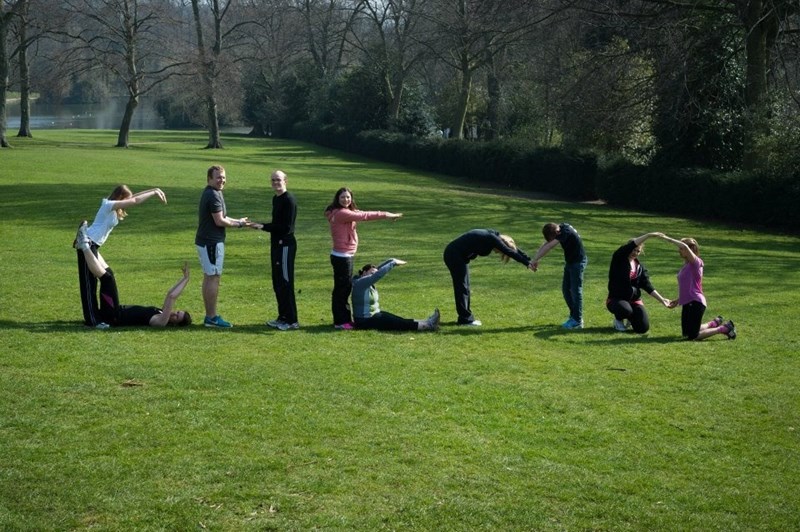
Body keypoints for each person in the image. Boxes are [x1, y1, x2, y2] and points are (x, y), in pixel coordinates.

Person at [74, 184, 167, 327]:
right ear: (120, 197)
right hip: (88, 242)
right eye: (126, 199)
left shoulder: (114, 206)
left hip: (94, 245)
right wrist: (154, 193)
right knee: (89, 284)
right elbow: (135, 201)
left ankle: (99, 315)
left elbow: (133, 198)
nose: (127, 203)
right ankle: (92, 320)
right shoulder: (108, 205)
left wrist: (155, 190)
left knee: (107, 275)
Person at [74, 224, 191, 328]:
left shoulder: (161, 322)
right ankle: (91, 247)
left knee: (107, 279)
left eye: (177, 317)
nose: (174, 313)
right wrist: (184, 278)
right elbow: (169, 293)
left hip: (113, 316)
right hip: (115, 310)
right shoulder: (161, 312)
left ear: (175, 324)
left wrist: (186, 280)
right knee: (109, 274)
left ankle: (85, 245)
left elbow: (172, 297)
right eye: (178, 312)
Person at [324, 187, 403, 330]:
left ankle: (342, 320)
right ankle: (341, 322)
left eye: (348, 197)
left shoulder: (342, 211)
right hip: (342, 257)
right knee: (342, 291)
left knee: (342, 289)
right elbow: (365, 215)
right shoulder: (342, 213)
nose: (346, 200)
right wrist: (387, 215)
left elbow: (360, 213)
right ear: (337, 199)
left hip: (343, 255)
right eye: (342, 197)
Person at [443, 229, 536, 326]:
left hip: (457, 255)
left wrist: (528, 260)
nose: (497, 253)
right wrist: (527, 264)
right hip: (454, 255)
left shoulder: (495, 237)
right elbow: (509, 251)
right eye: (500, 251)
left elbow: (513, 249)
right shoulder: (492, 238)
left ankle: (466, 318)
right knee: (462, 287)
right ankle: (465, 320)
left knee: (465, 287)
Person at [195, 164, 250, 328]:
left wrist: (239, 221)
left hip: (206, 242)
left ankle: (209, 316)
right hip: (211, 243)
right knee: (213, 277)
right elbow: (219, 221)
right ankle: (212, 318)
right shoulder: (213, 195)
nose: (222, 180)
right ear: (209, 179)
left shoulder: (213, 192)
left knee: (209, 277)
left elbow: (223, 217)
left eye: (224, 177)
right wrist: (239, 225)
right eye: (218, 177)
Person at [657, 234, 737, 340]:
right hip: (688, 302)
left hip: (695, 302)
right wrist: (677, 301)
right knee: (687, 333)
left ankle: (724, 328)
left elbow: (685, 247)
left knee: (693, 336)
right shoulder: (687, 266)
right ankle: (713, 324)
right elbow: (688, 288)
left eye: (681, 248)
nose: (679, 250)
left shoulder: (696, 263)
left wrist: (667, 239)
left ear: (690, 250)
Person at [249, 170, 299, 331]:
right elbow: (277, 223)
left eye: (278, 180)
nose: (275, 183)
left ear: (285, 181)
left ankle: (291, 320)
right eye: (273, 180)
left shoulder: (289, 200)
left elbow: (286, 227)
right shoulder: (276, 199)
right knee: (277, 282)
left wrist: (262, 226)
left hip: (285, 245)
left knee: (285, 282)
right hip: (276, 245)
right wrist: (262, 226)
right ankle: (282, 317)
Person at [606, 232, 672, 334]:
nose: (635, 253)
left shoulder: (639, 267)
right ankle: (618, 320)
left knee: (643, 328)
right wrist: (648, 236)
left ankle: (631, 318)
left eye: (638, 251)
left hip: (633, 300)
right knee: (626, 310)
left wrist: (662, 299)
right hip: (617, 299)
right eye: (633, 249)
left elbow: (647, 286)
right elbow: (630, 246)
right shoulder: (619, 258)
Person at [352, 258, 440, 331]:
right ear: (364, 272)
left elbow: (378, 270)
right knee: (399, 323)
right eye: (371, 273)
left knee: (399, 320)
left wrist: (391, 260)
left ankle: (427, 322)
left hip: (373, 316)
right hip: (365, 321)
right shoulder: (360, 283)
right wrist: (393, 263)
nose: (374, 275)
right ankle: (429, 325)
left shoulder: (367, 282)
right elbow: (377, 275)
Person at [531, 222, 588, 329]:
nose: (553, 241)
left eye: (553, 238)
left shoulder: (565, 231)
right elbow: (546, 244)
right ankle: (574, 316)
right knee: (566, 290)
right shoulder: (559, 229)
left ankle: (577, 320)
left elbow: (549, 246)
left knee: (575, 291)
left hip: (578, 263)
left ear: (557, 232)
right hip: (570, 262)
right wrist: (536, 259)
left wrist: (535, 260)